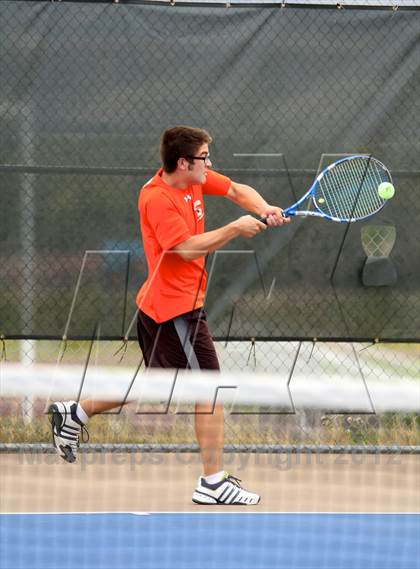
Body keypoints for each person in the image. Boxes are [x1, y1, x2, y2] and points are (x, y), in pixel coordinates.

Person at [49, 126, 290, 505]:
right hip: (173, 311)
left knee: (159, 385)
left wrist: (262, 208)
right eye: (204, 158)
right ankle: (212, 482)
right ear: (183, 163)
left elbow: (236, 190)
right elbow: (184, 250)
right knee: (210, 390)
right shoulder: (156, 198)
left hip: (171, 306)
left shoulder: (196, 180)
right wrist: (234, 228)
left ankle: (74, 413)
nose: (210, 163)